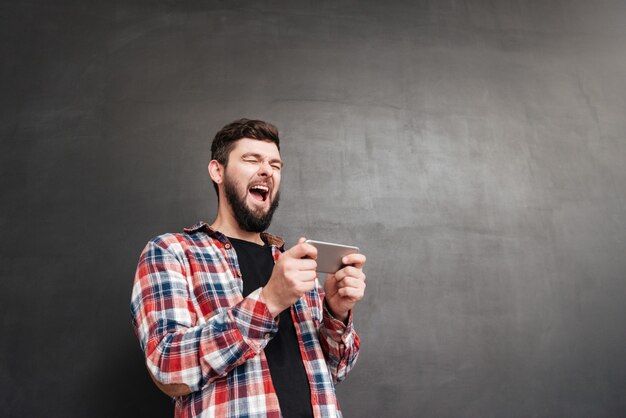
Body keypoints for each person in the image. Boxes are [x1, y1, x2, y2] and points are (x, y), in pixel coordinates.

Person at [130, 119, 367, 417]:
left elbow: (336, 371)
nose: (267, 170)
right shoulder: (172, 252)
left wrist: (336, 312)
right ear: (218, 171)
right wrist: (268, 302)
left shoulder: (291, 265)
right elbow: (168, 368)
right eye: (251, 159)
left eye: (275, 164)